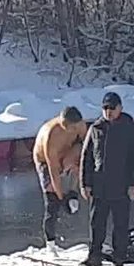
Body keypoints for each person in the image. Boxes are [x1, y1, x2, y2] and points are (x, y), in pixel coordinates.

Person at [81, 91, 134, 266]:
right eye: (105, 108)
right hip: (99, 185)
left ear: (120, 108)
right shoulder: (96, 128)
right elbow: (86, 156)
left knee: (120, 224)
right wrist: (85, 183)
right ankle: (94, 256)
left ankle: (119, 258)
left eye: (112, 108)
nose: (108, 111)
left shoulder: (131, 128)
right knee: (96, 224)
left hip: (122, 185)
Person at [32, 106, 88, 247]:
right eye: (68, 128)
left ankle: (73, 193)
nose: (72, 131)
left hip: (69, 152)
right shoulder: (52, 135)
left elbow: (87, 151)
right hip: (46, 160)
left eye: (75, 128)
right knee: (53, 199)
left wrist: (79, 184)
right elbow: (53, 171)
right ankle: (50, 243)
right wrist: (61, 197)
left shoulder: (81, 126)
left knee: (81, 156)